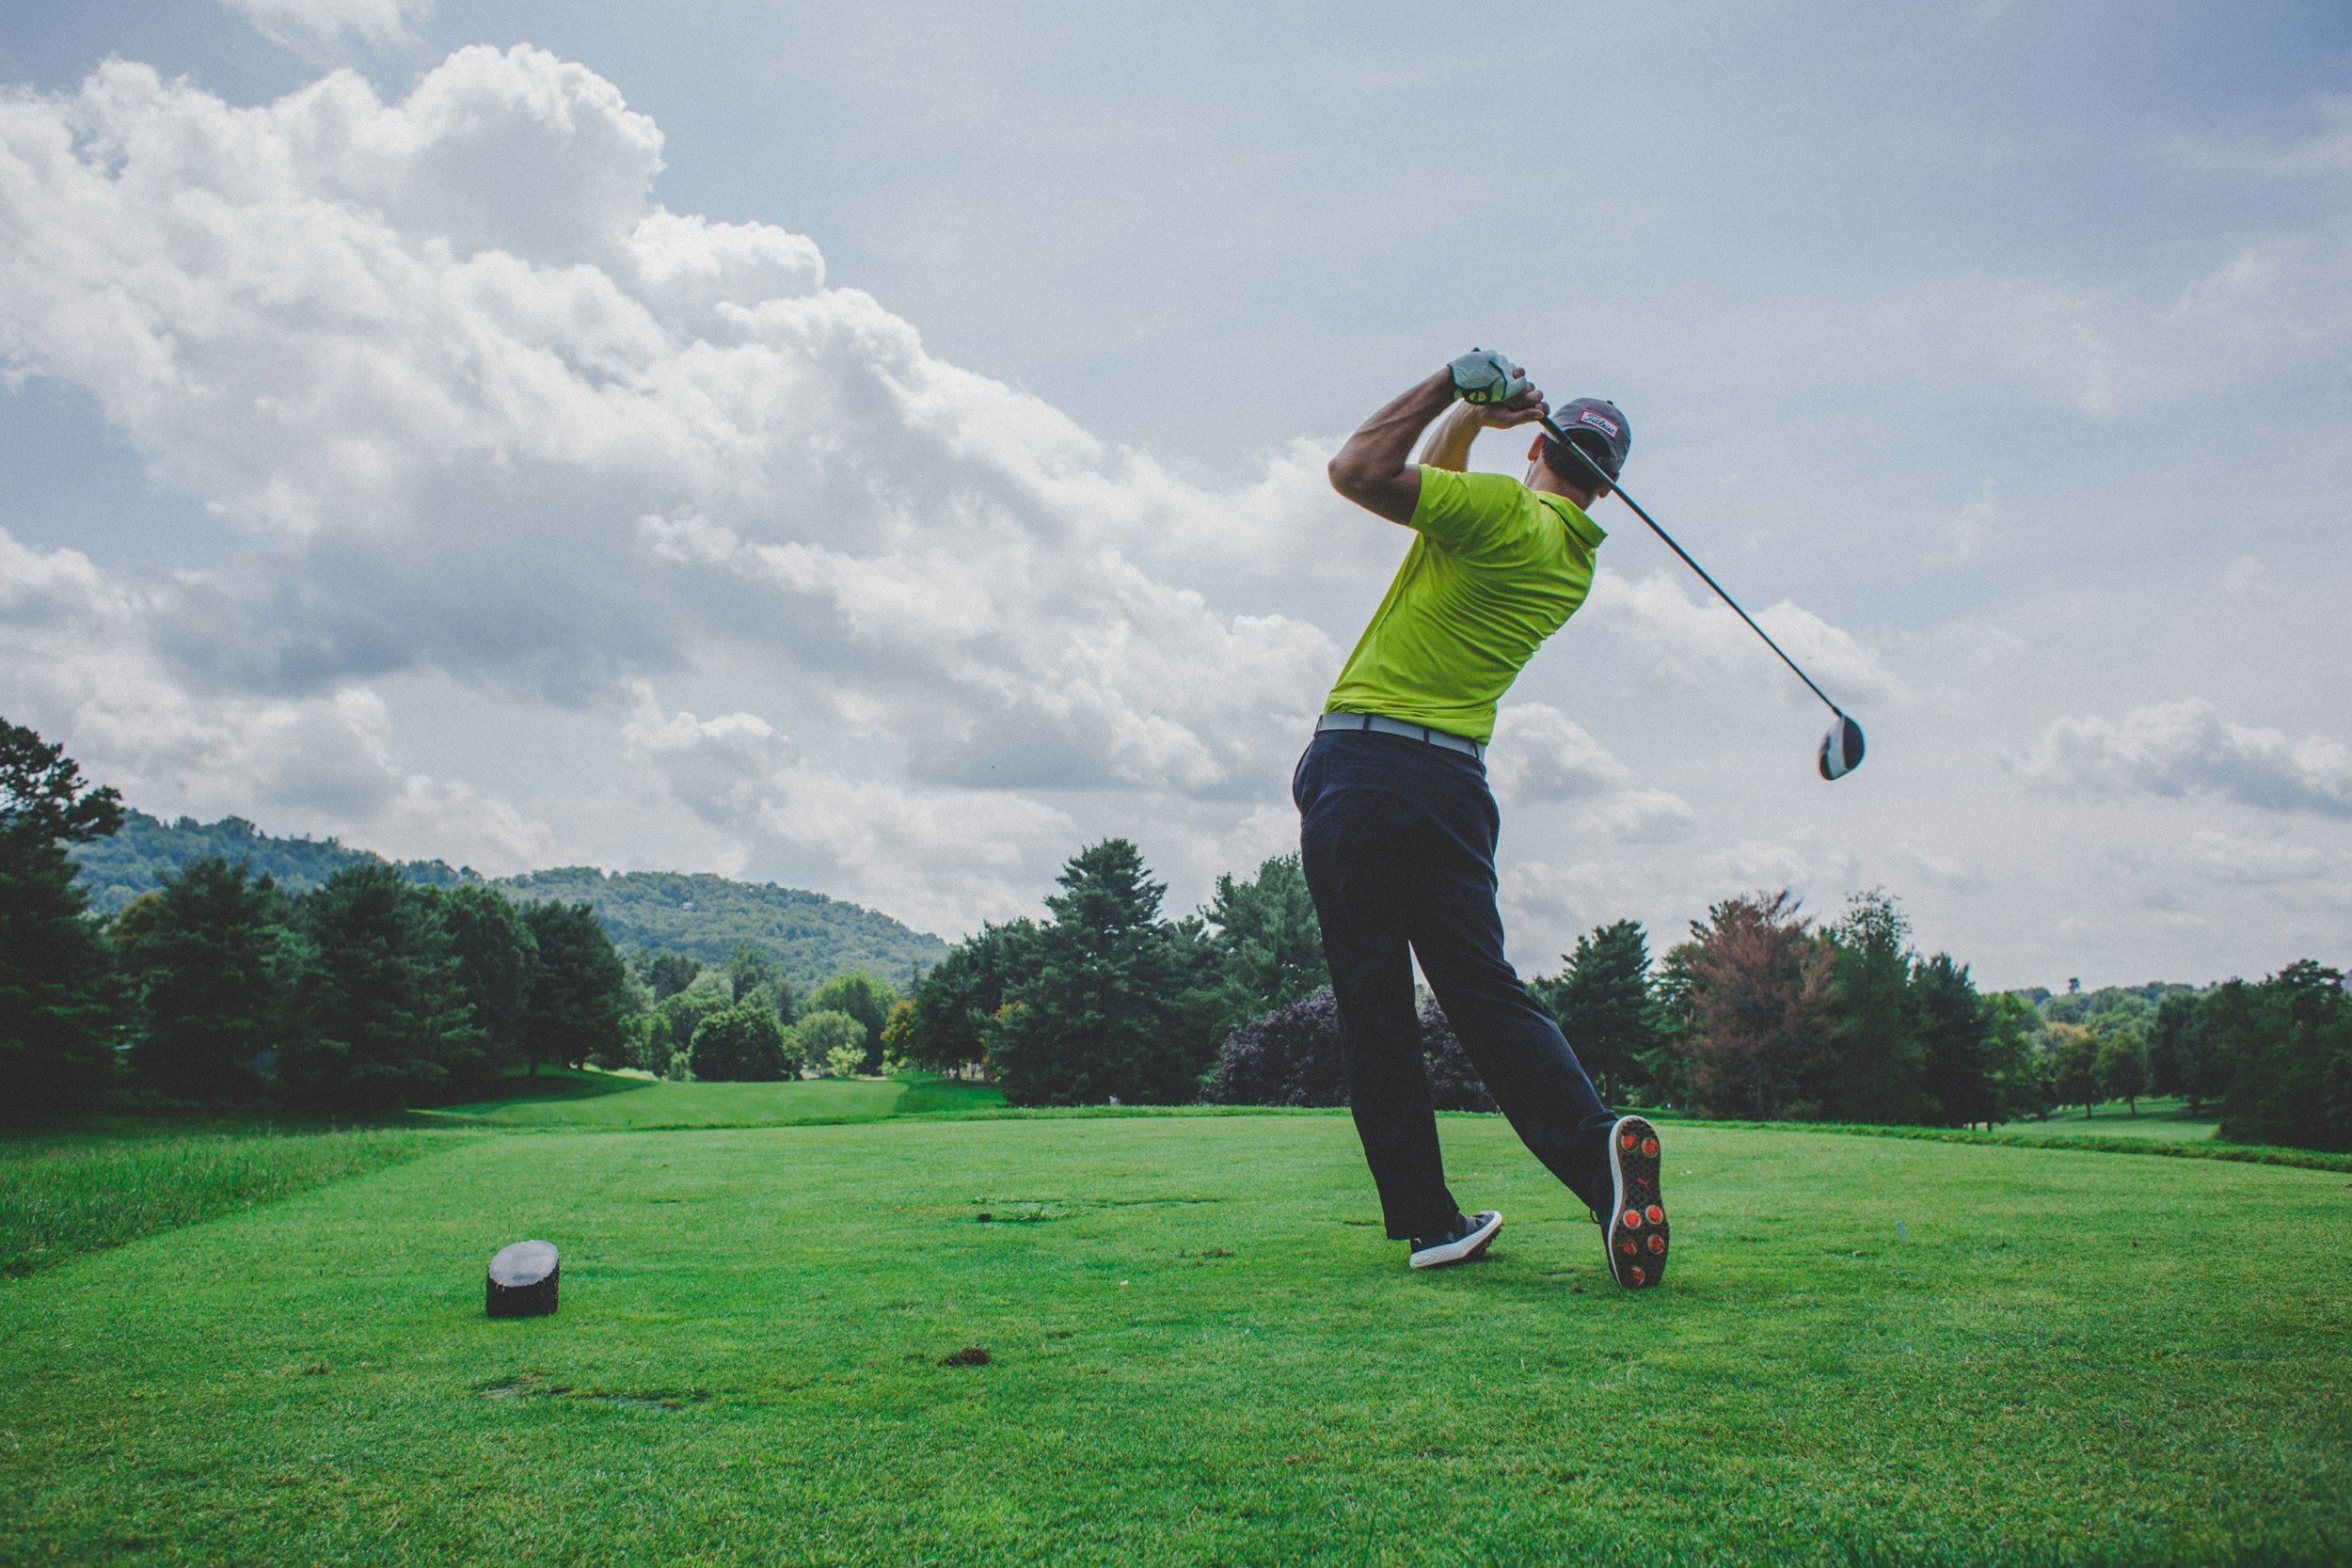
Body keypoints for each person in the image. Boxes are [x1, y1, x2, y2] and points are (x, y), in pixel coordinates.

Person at [1297, 347, 1667, 1288]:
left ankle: (1429, 1220)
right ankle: (1598, 1163)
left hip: (1366, 766)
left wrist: (1444, 384)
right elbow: (1443, 490)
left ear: (1540, 447)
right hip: (1454, 786)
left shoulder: (1502, 511)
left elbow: (1359, 473)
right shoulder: (1566, 555)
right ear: (1607, 489)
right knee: (1485, 993)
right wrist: (1472, 421)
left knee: (1375, 1001)